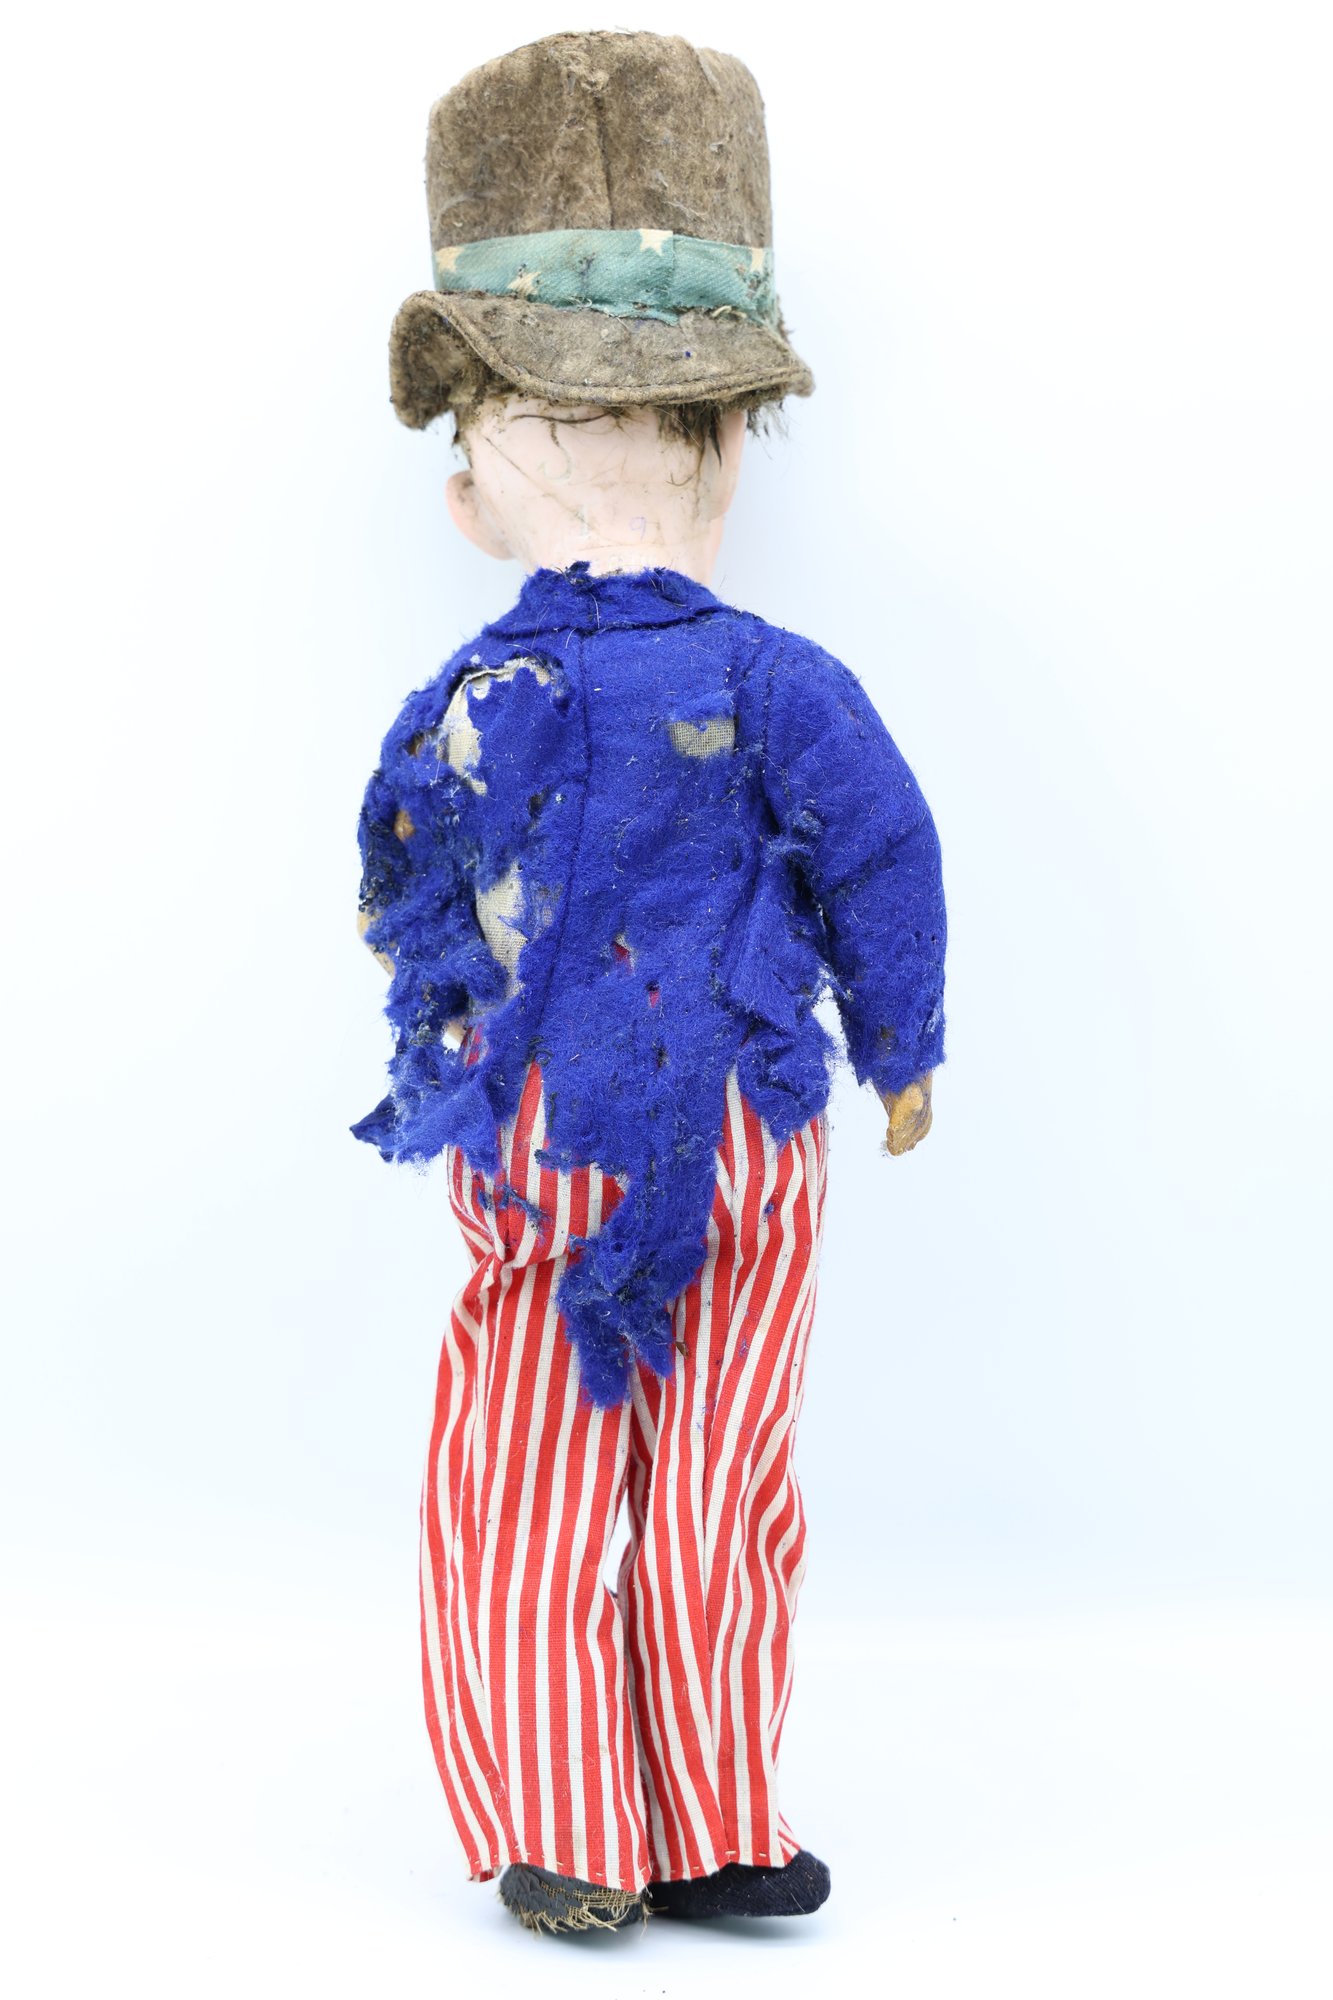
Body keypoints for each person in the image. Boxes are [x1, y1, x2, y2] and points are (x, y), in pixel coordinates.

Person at [353, 31, 947, 1936]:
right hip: (745, 1127)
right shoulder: (780, 683)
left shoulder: (471, 695)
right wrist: (900, 1048)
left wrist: (443, 1049)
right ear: (735, 448)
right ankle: (701, 1816)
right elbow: (880, 858)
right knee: (719, 1472)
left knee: (528, 1466)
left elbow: (409, 889)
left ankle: (582, 1820)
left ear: (471, 490)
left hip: (545, 1135)